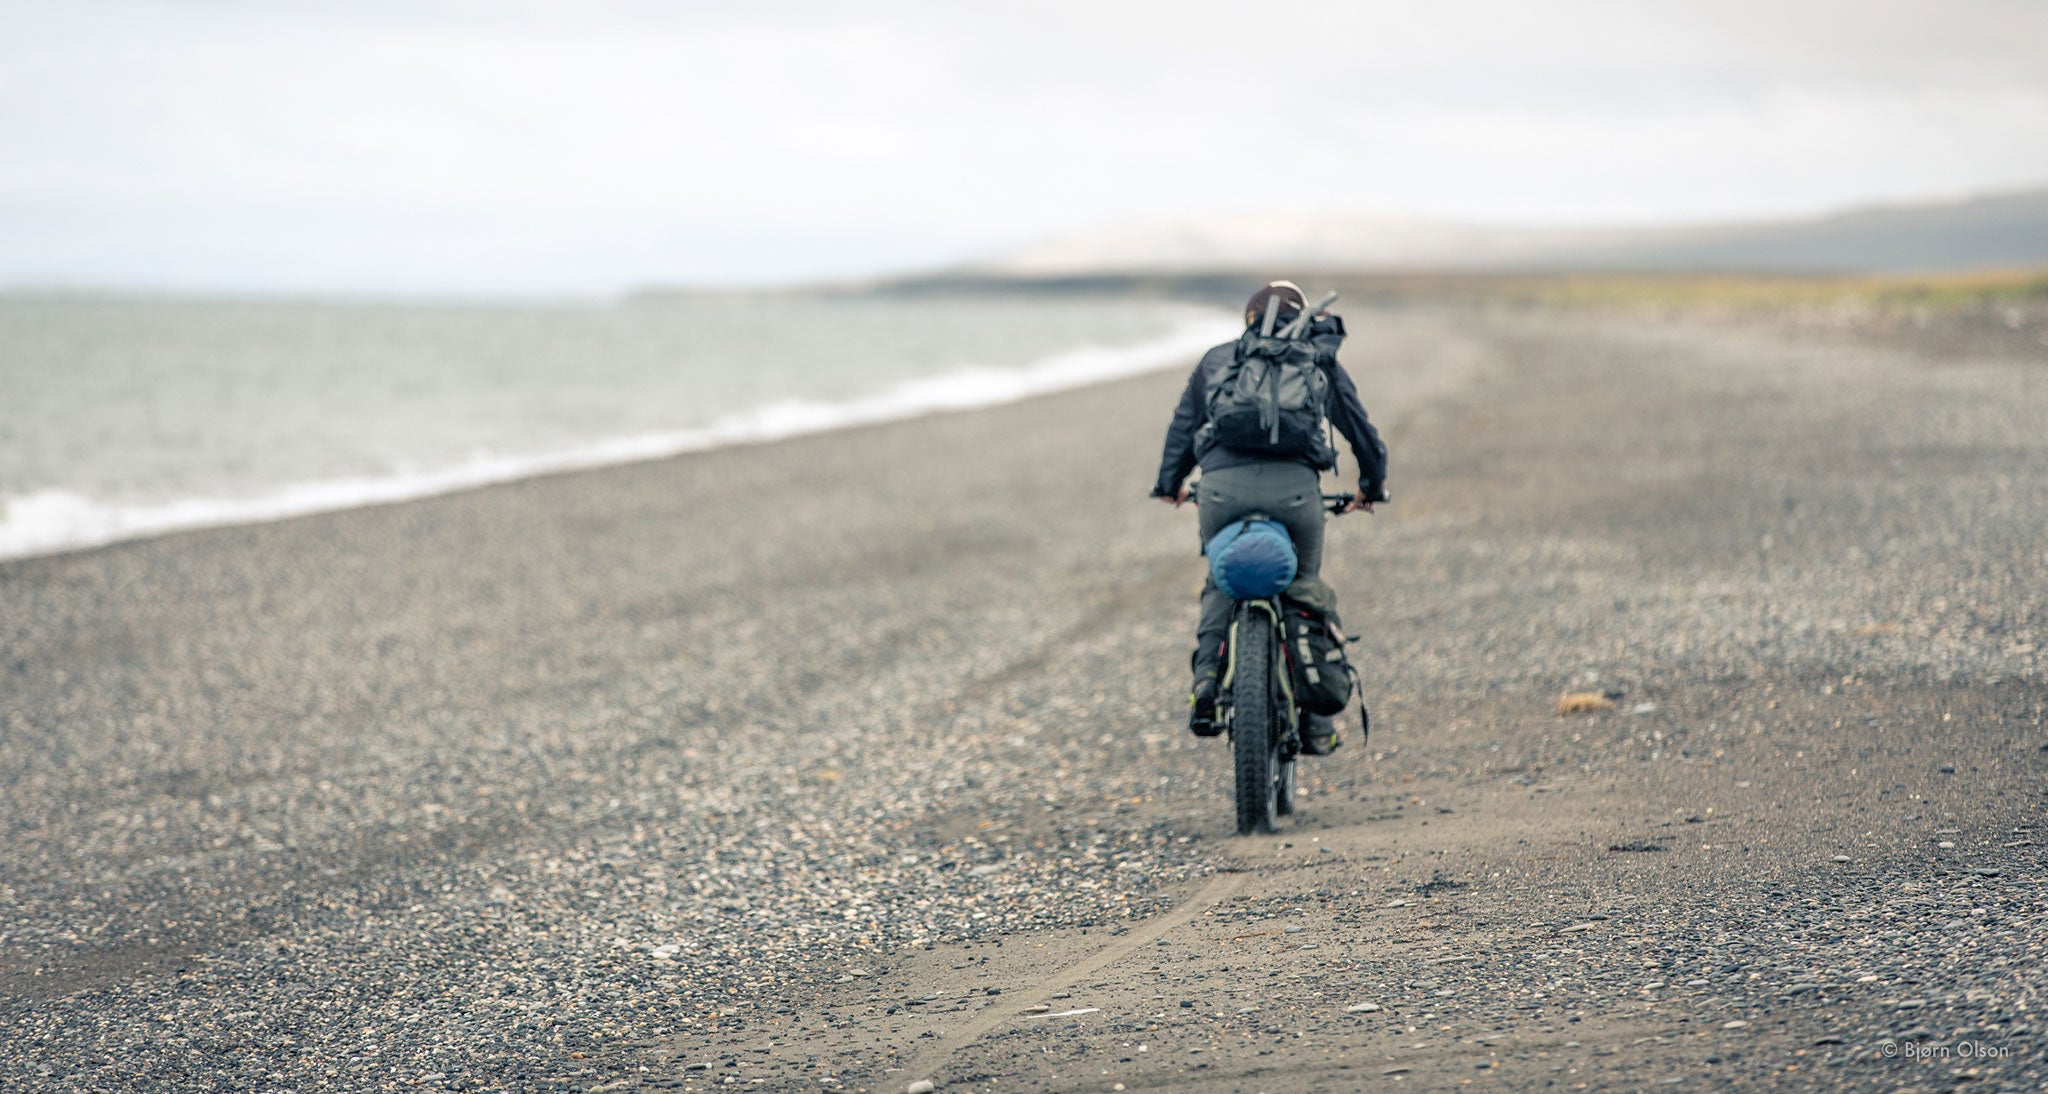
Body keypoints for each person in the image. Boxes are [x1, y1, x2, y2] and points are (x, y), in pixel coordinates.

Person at [1150, 281, 1388, 747]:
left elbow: (1183, 428)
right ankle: (1316, 720)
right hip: (1296, 496)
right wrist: (1370, 488)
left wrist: (1170, 484)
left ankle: (1205, 683)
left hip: (1221, 494)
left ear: (1248, 320)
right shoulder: (1316, 359)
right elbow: (1360, 430)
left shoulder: (1219, 359)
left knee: (1221, 580)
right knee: (1303, 586)